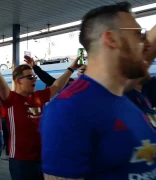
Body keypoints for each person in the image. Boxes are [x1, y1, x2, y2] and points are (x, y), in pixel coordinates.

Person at [41, 2, 156, 179]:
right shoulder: (68, 109)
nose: (145, 44)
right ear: (111, 39)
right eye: (138, 35)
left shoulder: (129, 99)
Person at [0, 43, 79, 180]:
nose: (34, 79)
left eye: (34, 76)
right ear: (18, 81)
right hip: (21, 161)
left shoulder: (38, 97)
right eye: (30, 77)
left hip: (42, 158)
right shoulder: (11, 99)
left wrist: (71, 68)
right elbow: (2, 84)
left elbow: (56, 86)